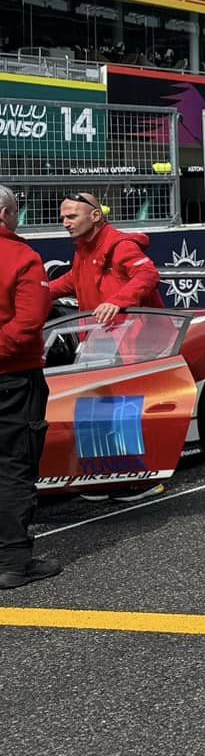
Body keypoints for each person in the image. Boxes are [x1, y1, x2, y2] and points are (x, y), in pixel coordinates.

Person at [0, 186, 53, 590]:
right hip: (14, 378)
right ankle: (15, 562)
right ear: (6, 213)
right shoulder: (22, 257)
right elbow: (28, 324)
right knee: (14, 465)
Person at [46, 192, 163, 326]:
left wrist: (117, 302)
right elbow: (72, 280)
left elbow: (148, 274)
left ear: (95, 216)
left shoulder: (121, 246)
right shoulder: (84, 249)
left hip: (139, 334)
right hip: (102, 332)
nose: (65, 223)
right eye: (63, 218)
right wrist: (33, 293)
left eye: (72, 217)